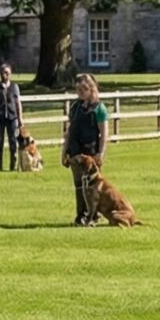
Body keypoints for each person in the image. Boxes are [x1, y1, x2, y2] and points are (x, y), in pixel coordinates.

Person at [62, 72, 109, 226]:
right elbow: (69, 131)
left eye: (83, 90)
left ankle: (94, 215)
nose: (80, 93)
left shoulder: (99, 108)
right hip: (75, 152)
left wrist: (100, 154)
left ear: (91, 89)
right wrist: (64, 151)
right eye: (78, 90)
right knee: (79, 186)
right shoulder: (75, 107)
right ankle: (80, 215)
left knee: (93, 187)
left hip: (91, 153)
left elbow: (104, 134)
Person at [0, 62, 25, 171]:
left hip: (12, 118)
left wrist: (20, 119)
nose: (4, 75)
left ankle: (12, 165)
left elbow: (18, 103)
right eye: (2, 73)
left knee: (13, 141)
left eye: (7, 73)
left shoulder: (15, 87)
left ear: (10, 74)